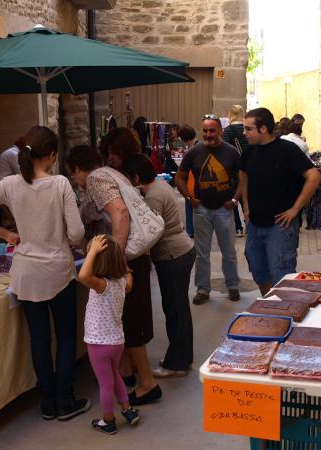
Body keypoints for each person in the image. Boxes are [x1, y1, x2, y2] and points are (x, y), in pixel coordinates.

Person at [0, 125, 89, 421]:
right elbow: (77, 233)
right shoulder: (59, 184)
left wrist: (6, 234)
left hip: (26, 273)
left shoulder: (9, 184)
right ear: (52, 155)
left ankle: (47, 401)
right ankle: (65, 399)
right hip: (58, 271)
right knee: (67, 337)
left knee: (39, 339)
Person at [69, 133, 161, 406]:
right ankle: (128, 375)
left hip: (125, 260)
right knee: (125, 320)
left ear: (77, 169)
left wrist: (117, 261)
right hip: (134, 257)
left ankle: (147, 384)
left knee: (130, 323)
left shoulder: (97, 179)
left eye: (73, 175)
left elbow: (119, 212)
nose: (75, 181)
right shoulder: (112, 174)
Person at [122, 153, 195, 377]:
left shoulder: (153, 195)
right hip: (180, 251)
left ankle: (177, 363)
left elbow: (149, 231)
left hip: (173, 255)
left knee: (175, 309)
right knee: (177, 308)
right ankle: (181, 357)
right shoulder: (159, 186)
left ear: (135, 177)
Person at [240, 107, 320, 295]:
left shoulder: (287, 150)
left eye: (248, 129)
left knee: (282, 276)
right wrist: (246, 206)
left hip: (280, 227)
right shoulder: (249, 151)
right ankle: (269, 307)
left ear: (264, 129)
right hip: (254, 224)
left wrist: (295, 209)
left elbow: (314, 176)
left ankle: (284, 314)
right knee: (258, 271)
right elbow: (243, 176)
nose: (244, 133)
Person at [175, 115, 242, 305]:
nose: (208, 134)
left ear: (220, 131)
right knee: (201, 252)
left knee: (228, 251)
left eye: (212, 130)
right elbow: (179, 177)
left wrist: (235, 199)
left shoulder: (231, 152)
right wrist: (189, 197)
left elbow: (243, 178)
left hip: (224, 209)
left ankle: (232, 286)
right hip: (201, 209)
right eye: (205, 130)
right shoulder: (194, 152)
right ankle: (203, 289)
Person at [77, 234, 140, 435]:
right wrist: (127, 271)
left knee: (105, 384)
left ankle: (108, 420)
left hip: (98, 343)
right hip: (116, 342)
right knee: (115, 376)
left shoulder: (101, 285)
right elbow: (129, 281)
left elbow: (83, 276)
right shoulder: (121, 283)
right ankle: (127, 409)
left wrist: (93, 250)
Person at [222, 105, 249, 237]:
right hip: (249, 167)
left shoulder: (228, 130)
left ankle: (238, 227)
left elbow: (224, 149)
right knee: (246, 197)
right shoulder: (247, 129)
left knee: (234, 198)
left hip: (234, 169)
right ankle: (248, 223)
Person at [178, 125, 199, 238]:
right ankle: (192, 230)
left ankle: (192, 230)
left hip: (193, 183)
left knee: (191, 206)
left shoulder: (193, 149)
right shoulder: (197, 146)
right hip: (192, 182)